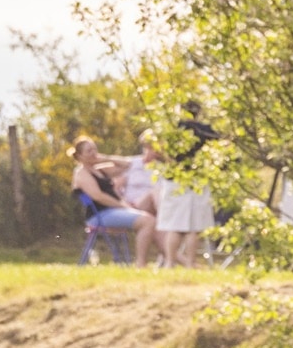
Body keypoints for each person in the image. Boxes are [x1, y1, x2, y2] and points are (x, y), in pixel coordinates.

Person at [161, 100, 220, 266]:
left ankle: (170, 263)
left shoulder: (173, 130)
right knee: (194, 227)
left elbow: (165, 152)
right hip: (198, 180)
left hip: (174, 180)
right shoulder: (206, 131)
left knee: (175, 226)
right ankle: (190, 263)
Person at [69, 138, 144, 264]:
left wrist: (105, 158)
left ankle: (169, 260)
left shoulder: (100, 170)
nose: (93, 153)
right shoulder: (81, 173)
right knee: (146, 221)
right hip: (99, 216)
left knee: (150, 217)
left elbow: (127, 165)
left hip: (113, 212)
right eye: (89, 151)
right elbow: (98, 196)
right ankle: (142, 263)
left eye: (94, 149)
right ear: (80, 156)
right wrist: (122, 206)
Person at [120, 131, 163, 265]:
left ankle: (153, 262)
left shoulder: (161, 168)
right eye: (150, 148)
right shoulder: (132, 163)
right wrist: (121, 204)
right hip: (133, 205)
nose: (153, 152)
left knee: (157, 222)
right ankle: (175, 259)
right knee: (153, 193)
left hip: (154, 210)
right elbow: (116, 187)